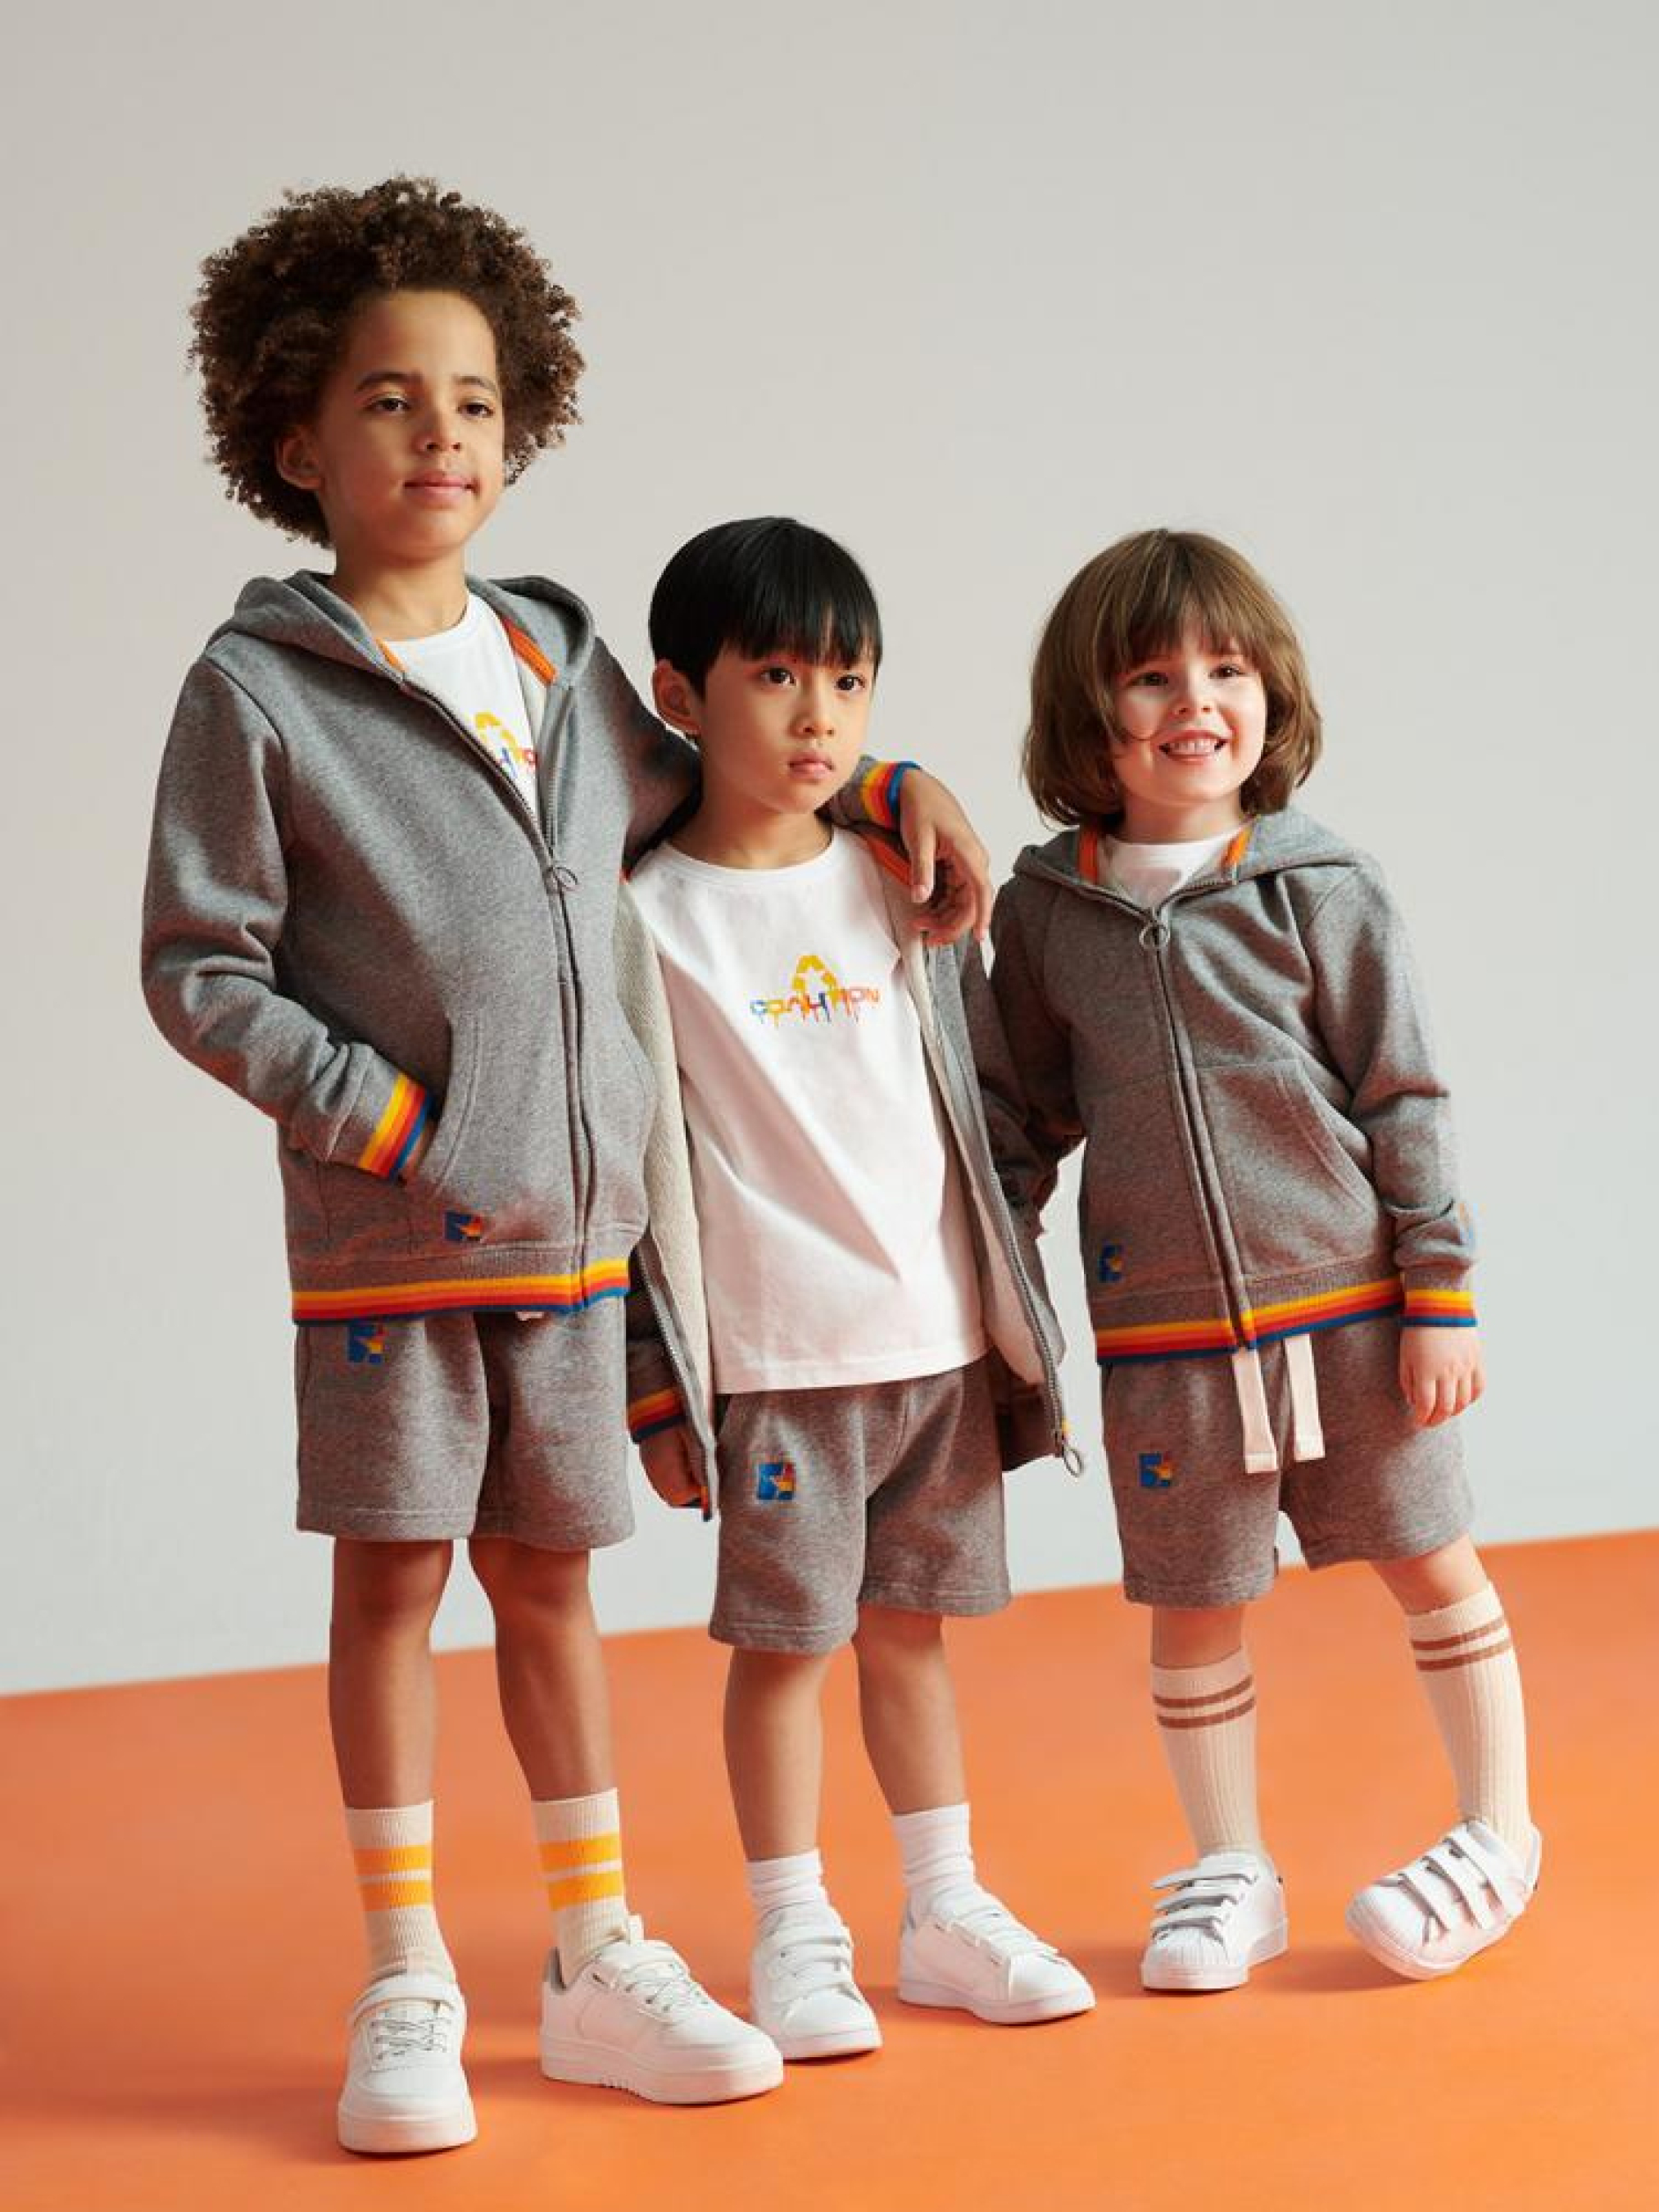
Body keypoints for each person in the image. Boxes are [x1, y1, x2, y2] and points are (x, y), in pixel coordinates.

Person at [140, 179, 992, 2151]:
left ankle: (594, 1953)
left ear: (518, 427)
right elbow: (199, 968)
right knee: (392, 1584)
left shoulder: (557, 656)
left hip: (574, 1246)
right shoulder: (254, 692)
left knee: (551, 1586)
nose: (439, 434)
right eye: (386, 399)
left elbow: (712, 788)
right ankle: (404, 1975)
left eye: (472, 399)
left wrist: (883, 776)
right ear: (295, 439)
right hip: (395, 1242)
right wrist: (397, 1129)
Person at [990, 528, 1538, 1992]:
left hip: (1354, 1310)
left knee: (1426, 1558)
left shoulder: (1323, 884)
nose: (1195, 703)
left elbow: (1401, 1095)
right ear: (1089, 712)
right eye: (1151, 677)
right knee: (1192, 1604)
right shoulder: (1044, 914)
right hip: (1164, 1338)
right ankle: (1231, 1868)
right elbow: (1015, 1123)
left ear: (1270, 694)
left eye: (1225, 671)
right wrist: (1006, 1300)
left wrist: (1439, 1295)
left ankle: (1499, 1832)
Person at [621, 515, 1095, 2062]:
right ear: (679, 696)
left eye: (848, 680)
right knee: (782, 1653)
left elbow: (970, 1103)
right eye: (774, 677)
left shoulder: (901, 881)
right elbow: (621, 1177)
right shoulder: (642, 917)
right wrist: (654, 1383)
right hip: (777, 1360)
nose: (818, 715)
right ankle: (791, 1929)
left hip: (936, 1344)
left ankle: (943, 1909)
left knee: (913, 1636)